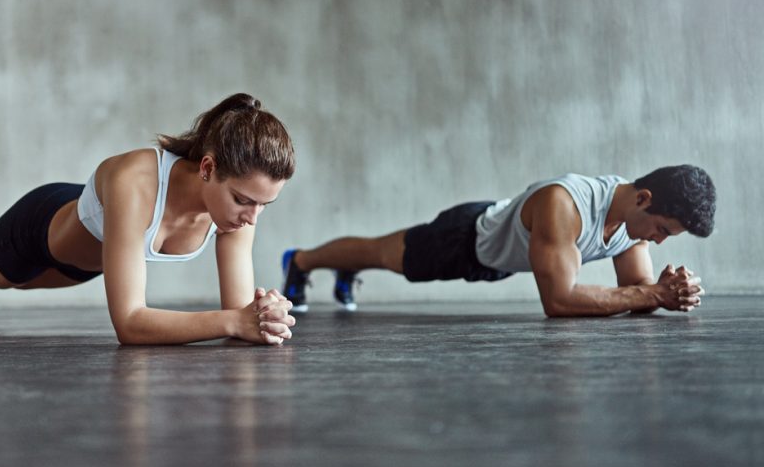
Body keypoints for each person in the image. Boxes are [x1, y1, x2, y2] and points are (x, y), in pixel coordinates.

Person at [0, 93, 298, 345]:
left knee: (13, 283)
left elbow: (240, 315)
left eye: (264, 205)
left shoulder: (238, 210)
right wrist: (236, 320)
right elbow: (130, 324)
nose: (252, 217)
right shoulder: (137, 181)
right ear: (207, 168)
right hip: (38, 230)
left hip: (87, 265)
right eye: (245, 200)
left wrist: (263, 315)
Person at [281, 165, 715, 317]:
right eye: (662, 230)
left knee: (380, 256)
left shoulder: (631, 225)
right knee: (381, 254)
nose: (657, 242)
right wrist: (651, 294)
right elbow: (560, 302)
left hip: (497, 258)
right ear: (644, 199)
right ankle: (299, 261)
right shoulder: (565, 204)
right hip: (463, 238)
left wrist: (666, 293)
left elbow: (635, 293)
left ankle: (339, 267)